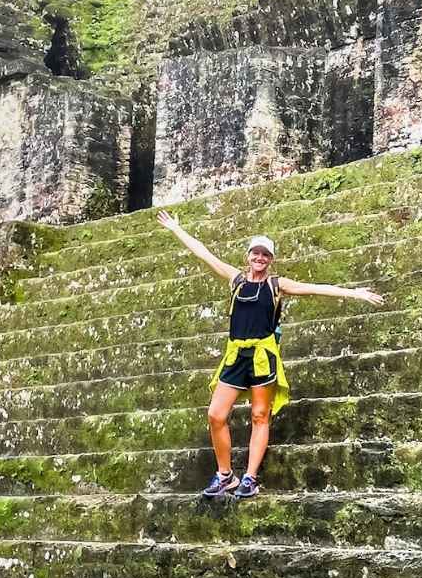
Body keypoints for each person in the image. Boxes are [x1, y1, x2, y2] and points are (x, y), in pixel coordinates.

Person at [156, 210, 384, 499]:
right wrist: (177, 229)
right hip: (236, 354)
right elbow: (205, 255)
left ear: (270, 259)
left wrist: (354, 294)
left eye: (265, 255)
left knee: (260, 415)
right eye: (256, 253)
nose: (260, 258)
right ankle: (225, 475)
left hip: (263, 355)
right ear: (248, 255)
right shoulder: (236, 279)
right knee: (215, 414)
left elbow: (313, 289)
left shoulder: (277, 285)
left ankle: (250, 478)